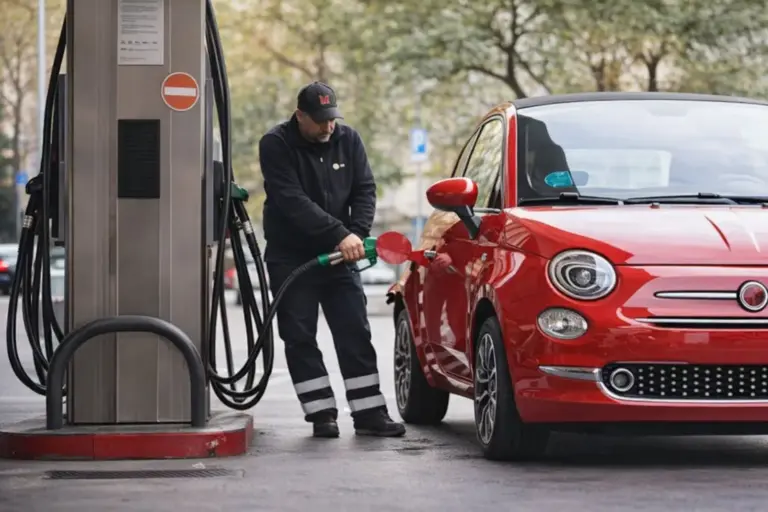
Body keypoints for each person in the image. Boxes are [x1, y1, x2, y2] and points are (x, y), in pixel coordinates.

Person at [258, 81, 406, 438]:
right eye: (320, 120)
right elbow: (291, 200)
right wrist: (341, 234)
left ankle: (370, 413)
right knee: (299, 335)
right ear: (300, 117)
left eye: (333, 119)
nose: (329, 127)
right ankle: (321, 412)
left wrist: (355, 233)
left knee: (354, 331)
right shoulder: (275, 144)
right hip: (291, 258)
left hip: (341, 257)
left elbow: (365, 189)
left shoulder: (348, 139)